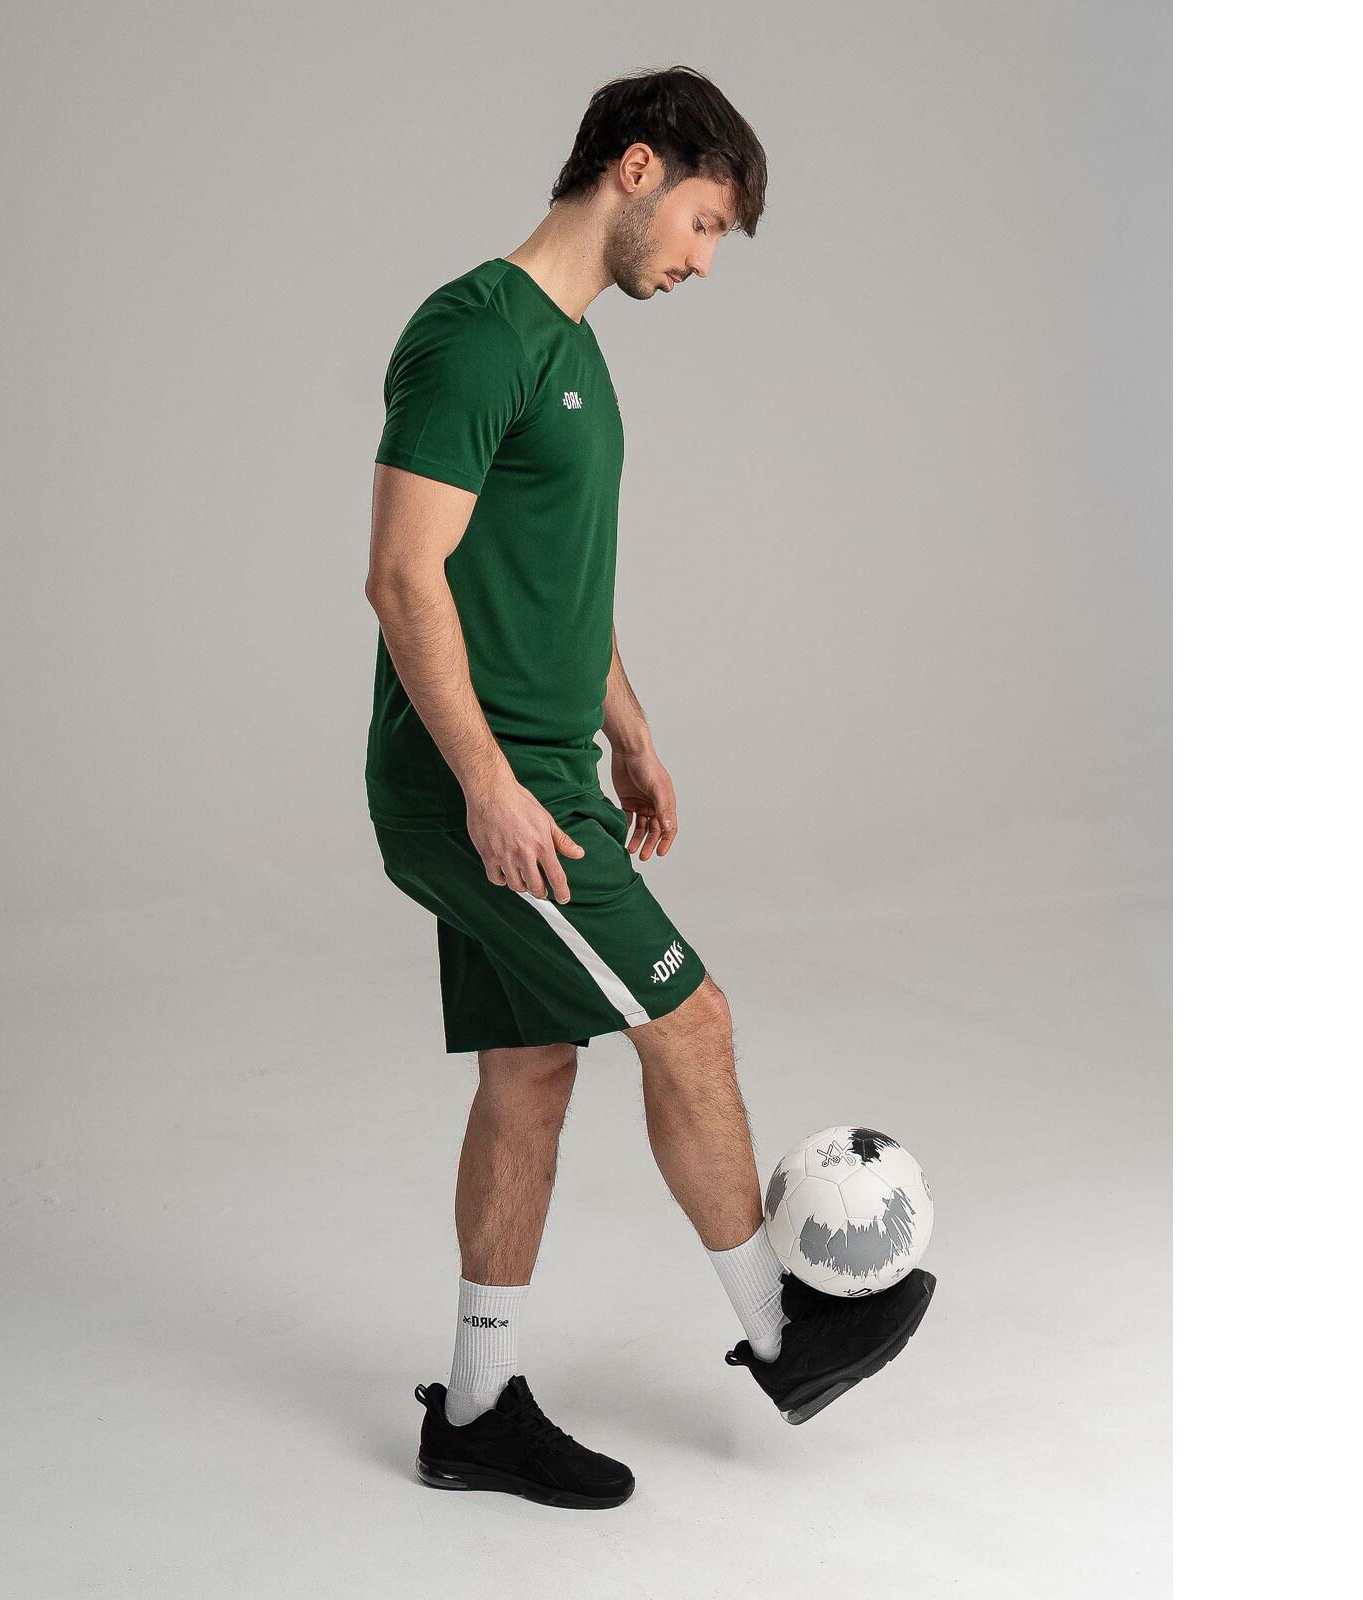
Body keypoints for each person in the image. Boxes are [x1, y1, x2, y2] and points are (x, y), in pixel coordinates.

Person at [363, 65, 934, 1510]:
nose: (702, 260)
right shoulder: (474, 333)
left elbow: (557, 583)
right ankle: (785, 1336)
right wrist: (490, 785)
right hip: (487, 792)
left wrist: (631, 733)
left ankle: (476, 1411)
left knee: (530, 1072)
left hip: (552, 771)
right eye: (704, 222)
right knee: (694, 1021)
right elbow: (402, 574)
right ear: (635, 168)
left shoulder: (577, 355)